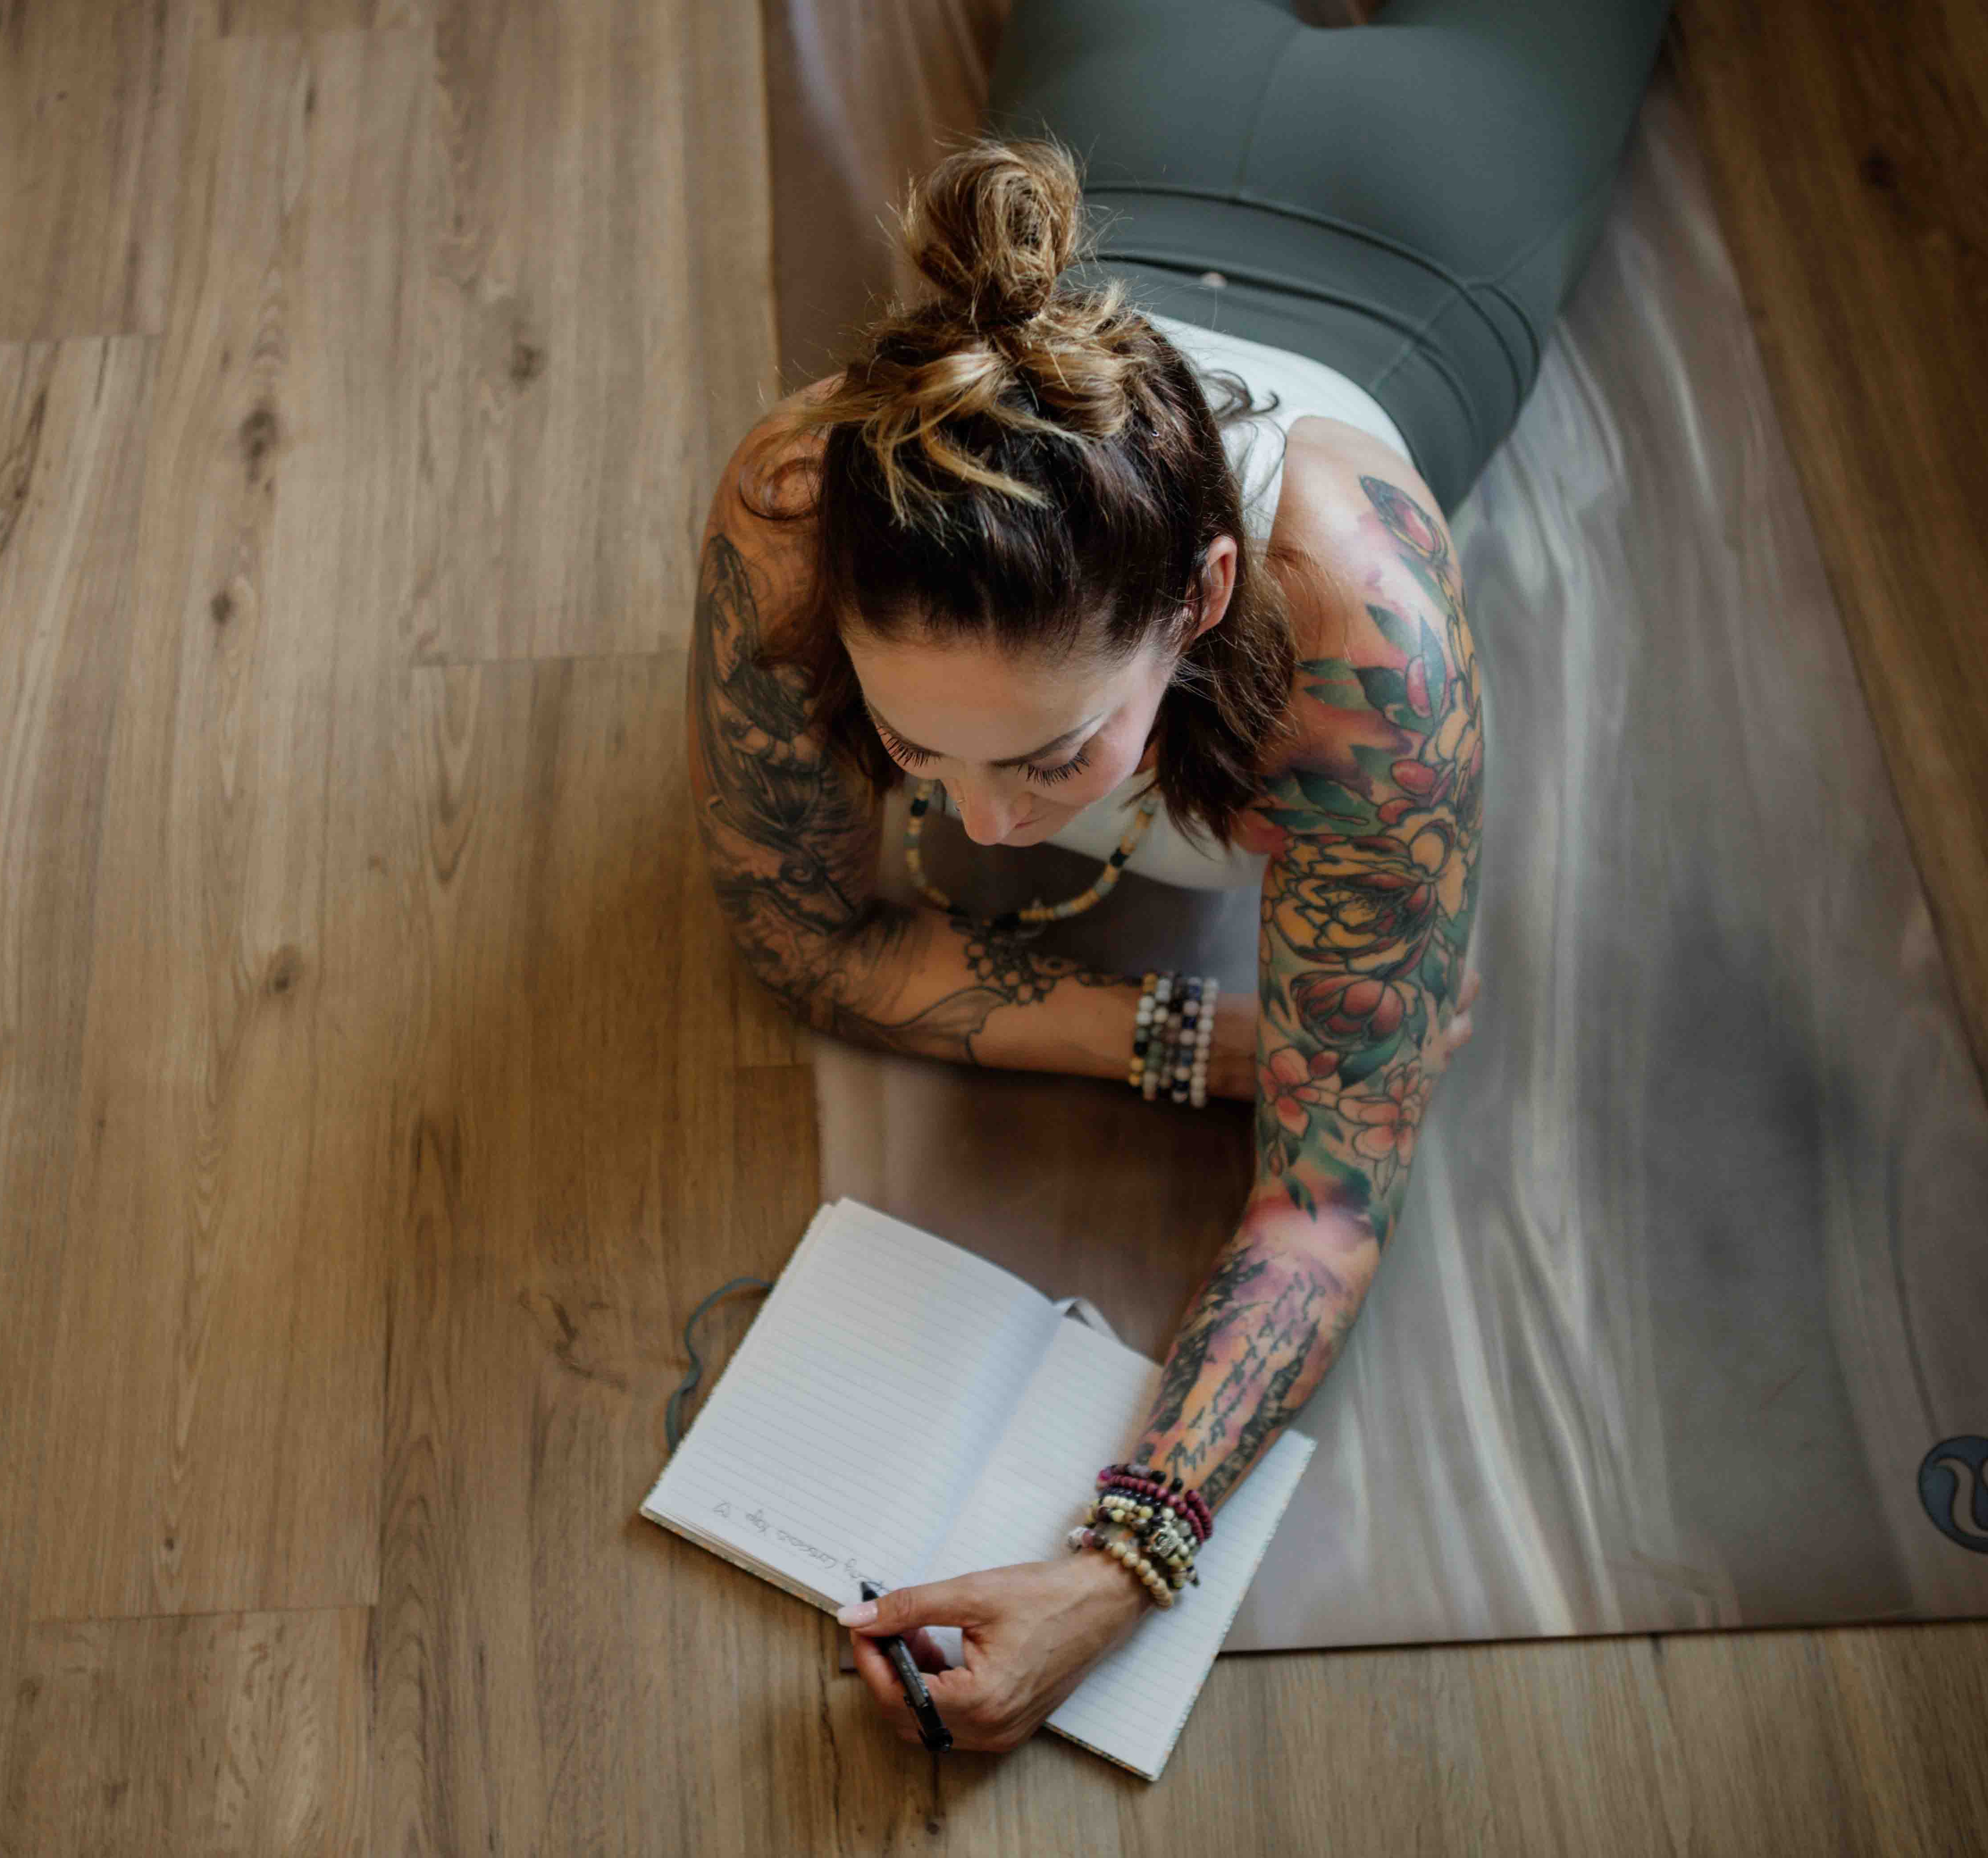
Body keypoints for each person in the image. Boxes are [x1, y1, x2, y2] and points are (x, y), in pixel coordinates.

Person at [687, 0, 1669, 1755]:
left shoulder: (1368, 646)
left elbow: (1325, 1202)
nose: (983, 832)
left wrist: (1121, 1561)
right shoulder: (794, 509)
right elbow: (796, 933)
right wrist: (1196, 1039)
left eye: (1056, 753)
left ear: (1206, 598)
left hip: (1425, 211)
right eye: (920, 750)